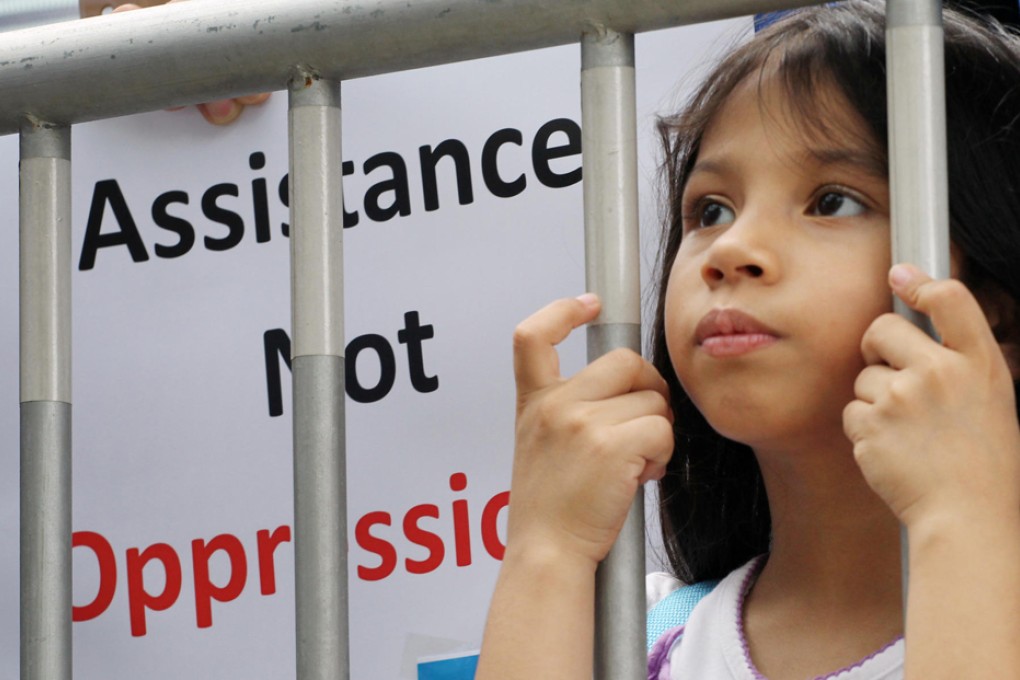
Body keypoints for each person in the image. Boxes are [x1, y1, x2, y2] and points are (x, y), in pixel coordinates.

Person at [475, 2, 1020, 678]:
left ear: (996, 316)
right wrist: (545, 550)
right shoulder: (637, 639)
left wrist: (962, 523)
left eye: (832, 201)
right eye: (710, 210)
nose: (731, 250)